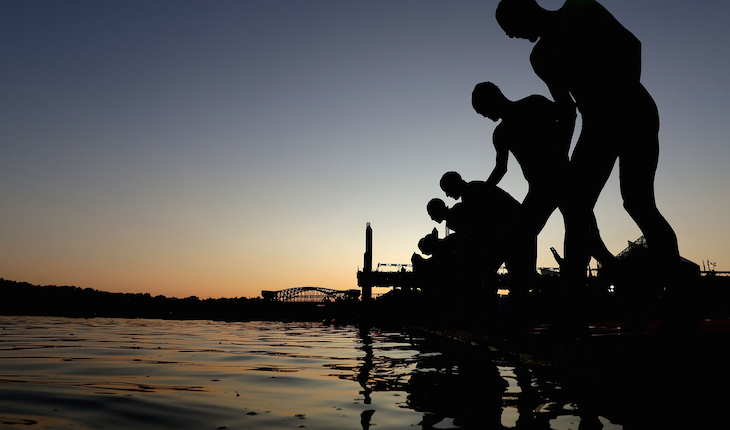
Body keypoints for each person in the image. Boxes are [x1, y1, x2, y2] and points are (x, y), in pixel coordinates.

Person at [495, 0, 680, 283]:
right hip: (595, 124)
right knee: (577, 208)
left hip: (634, 110)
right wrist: (561, 150)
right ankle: (573, 315)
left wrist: (620, 99)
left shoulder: (579, 9)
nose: (509, 36)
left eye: (509, 27)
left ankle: (680, 302)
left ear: (525, 9)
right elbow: (566, 107)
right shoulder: (540, 58)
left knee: (638, 203)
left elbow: (631, 45)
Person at [470, 82, 616, 279]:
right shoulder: (501, 133)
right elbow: (501, 168)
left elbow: (568, 114)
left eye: (483, 111)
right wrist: (486, 190)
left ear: (492, 99)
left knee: (589, 240)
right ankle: (499, 273)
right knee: (520, 233)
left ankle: (624, 280)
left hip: (562, 180)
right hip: (541, 188)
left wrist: (561, 148)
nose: (486, 117)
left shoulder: (532, 105)